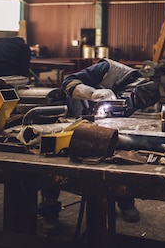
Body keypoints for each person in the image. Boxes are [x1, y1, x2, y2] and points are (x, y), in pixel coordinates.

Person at [39, 59, 143, 235]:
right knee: (57, 158)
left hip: (105, 124)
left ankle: (125, 200)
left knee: (120, 155)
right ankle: (49, 211)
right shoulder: (106, 69)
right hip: (74, 117)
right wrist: (92, 93)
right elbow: (68, 83)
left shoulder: (139, 91)